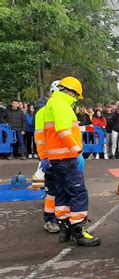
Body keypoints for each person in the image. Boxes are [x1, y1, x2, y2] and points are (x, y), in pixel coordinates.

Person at [43, 76, 100, 246]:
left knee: (62, 193)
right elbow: (63, 131)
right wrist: (77, 151)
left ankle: (64, 229)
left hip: (56, 158)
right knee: (78, 193)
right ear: (70, 92)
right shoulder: (61, 104)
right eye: (76, 96)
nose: (76, 99)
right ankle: (79, 231)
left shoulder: (52, 103)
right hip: (67, 157)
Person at [34, 80, 61, 234]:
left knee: (62, 189)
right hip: (51, 158)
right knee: (52, 190)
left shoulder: (63, 109)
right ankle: (50, 219)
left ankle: (60, 217)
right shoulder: (43, 112)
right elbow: (40, 137)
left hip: (64, 158)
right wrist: (44, 157)